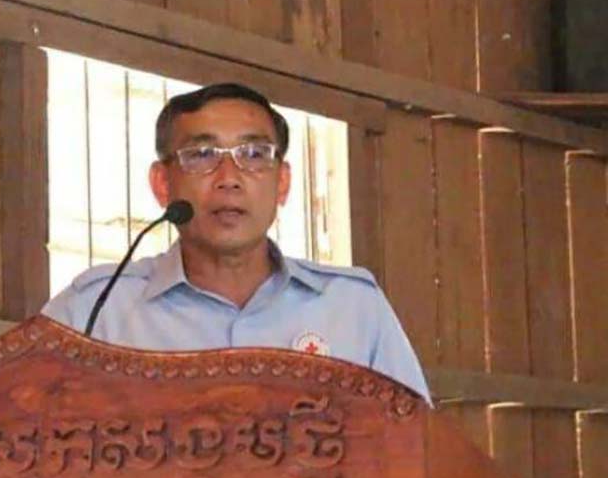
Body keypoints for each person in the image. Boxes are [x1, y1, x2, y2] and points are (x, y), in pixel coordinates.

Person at [43, 82, 430, 402]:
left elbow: (417, 449)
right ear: (162, 184)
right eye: (201, 155)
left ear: (282, 183)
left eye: (254, 154)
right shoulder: (95, 310)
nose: (229, 178)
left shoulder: (352, 308)